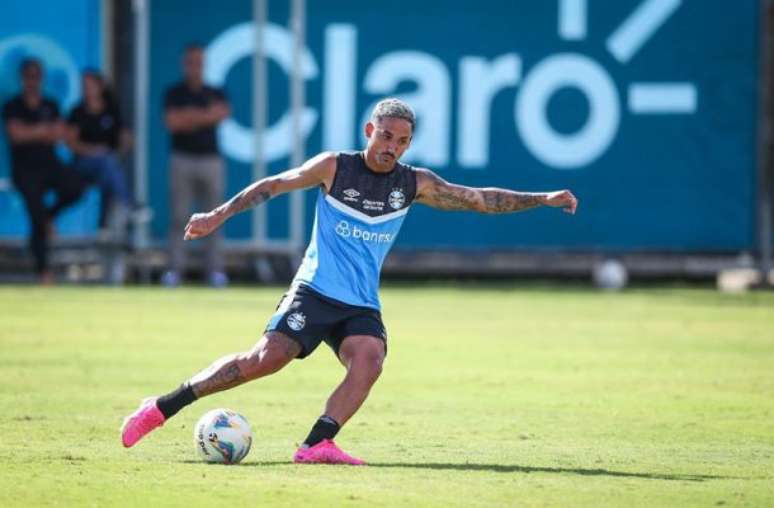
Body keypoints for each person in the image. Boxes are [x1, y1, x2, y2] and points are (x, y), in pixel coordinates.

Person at [121, 98, 579, 465]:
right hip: (315, 290)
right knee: (265, 359)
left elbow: (480, 199)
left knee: (370, 358)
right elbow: (274, 184)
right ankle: (161, 407)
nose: (392, 146)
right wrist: (218, 215)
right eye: (385, 135)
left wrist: (543, 198)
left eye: (402, 141)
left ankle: (317, 444)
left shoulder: (414, 183)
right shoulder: (335, 167)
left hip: (359, 302)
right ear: (369, 131)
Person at [1, 58, 85, 284]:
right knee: (36, 217)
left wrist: (34, 132)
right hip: (25, 169)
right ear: (22, 78)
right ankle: (43, 271)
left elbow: (59, 133)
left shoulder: (50, 105)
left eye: (36, 76)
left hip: (49, 163)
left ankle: (50, 216)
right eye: (29, 76)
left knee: (75, 186)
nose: (33, 81)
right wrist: (42, 131)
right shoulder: (13, 105)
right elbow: (16, 135)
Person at [161, 44, 230, 288]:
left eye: (199, 62)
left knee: (215, 217)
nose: (195, 67)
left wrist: (189, 116)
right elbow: (172, 122)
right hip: (182, 158)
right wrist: (203, 116)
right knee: (179, 217)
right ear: (184, 64)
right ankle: (174, 270)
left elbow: (220, 114)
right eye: (191, 62)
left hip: (210, 160)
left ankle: (214, 271)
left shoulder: (214, 92)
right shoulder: (175, 93)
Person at [65, 69, 148, 233]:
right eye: (84, 86)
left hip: (106, 164)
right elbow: (72, 143)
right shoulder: (78, 112)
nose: (87, 90)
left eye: (90, 86)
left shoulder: (111, 109)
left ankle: (103, 226)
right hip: (83, 164)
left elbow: (124, 135)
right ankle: (130, 205)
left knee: (109, 173)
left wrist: (124, 145)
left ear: (100, 87)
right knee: (107, 162)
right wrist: (95, 151)